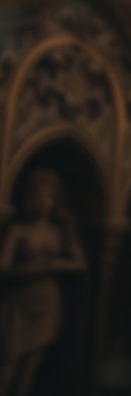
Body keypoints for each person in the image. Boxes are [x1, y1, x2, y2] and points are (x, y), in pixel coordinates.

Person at [0, 170, 86, 396]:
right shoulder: (18, 230)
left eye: (48, 196)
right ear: (30, 198)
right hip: (19, 303)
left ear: (55, 200)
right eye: (37, 195)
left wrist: (54, 264)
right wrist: (31, 270)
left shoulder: (60, 231)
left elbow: (79, 263)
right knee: (7, 363)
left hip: (47, 303)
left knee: (29, 369)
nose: (42, 202)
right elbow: (3, 267)